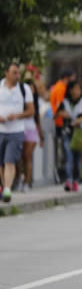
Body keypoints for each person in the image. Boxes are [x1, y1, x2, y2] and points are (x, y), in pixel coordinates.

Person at [1, 63, 34, 203]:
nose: (17, 75)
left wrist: (17, 116)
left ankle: (7, 189)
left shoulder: (24, 88)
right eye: (14, 72)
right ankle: (4, 187)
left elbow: (31, 110)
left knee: (9, 160)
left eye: (18, 73)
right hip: (1, 130)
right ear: (6, 73)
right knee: (1, 162)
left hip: (16, 131)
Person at [59, 80, 82, 192]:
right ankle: (68, 181)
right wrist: (63, 114)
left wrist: (80, 119)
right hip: (67, 133)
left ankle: (75, 180)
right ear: (70, 90)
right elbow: (57, 113)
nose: (76, 91)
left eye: (79, 89)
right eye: (74, 89)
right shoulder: (65, 102)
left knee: (77, 159)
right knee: (69, 157)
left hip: (80, 134)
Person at [18, 71, 42, 192]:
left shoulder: (36, 103)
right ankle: (20, 178)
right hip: (19, 128)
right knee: (18, 157)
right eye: (28, 88)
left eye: (32, 88)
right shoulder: (19, 100)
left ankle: (27, 183)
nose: (30, 90)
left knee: (27, 157)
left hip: (31, 130)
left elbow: (38, 120)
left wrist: (41, 136)